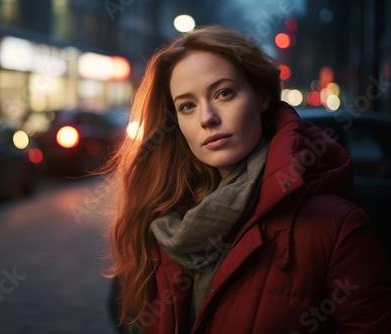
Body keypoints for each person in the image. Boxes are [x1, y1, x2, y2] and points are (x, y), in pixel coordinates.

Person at [105, 25, 391, 333]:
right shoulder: (160, 214)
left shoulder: (336, 227)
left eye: (224, 93)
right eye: (187, 105)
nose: (207, 117)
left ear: (262, 95)